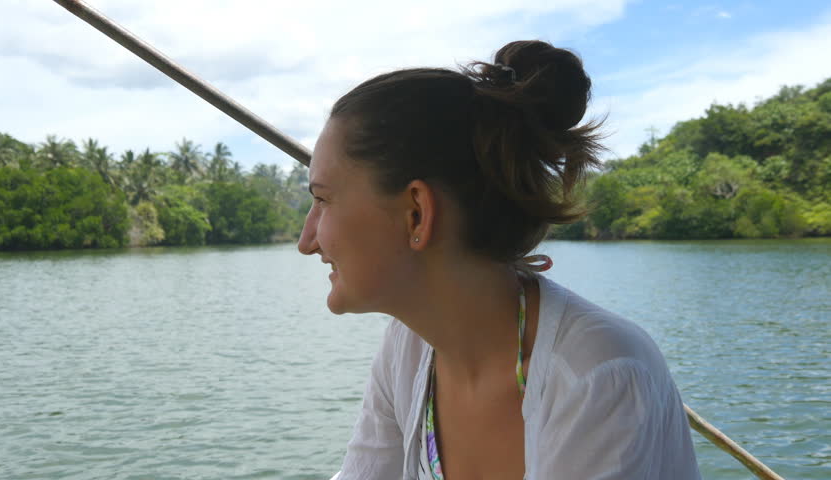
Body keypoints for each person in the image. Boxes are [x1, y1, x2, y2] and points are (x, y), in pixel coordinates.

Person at [298, 40, 701, 479]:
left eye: (322, 199)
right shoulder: (409, 347)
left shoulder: (596, 374)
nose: (307, 239)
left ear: (416, 212)